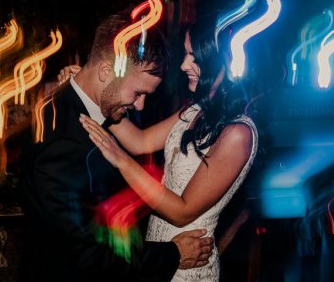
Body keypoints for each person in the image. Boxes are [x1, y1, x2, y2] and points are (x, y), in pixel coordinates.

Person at [19, 13, 214, 282]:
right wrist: (174, 254)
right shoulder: (62, 146)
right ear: (105, 71)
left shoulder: (80, 108)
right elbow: (89, 256)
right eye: (138, 93)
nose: (140, 106)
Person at [76, 14, 258, 282]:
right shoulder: (195, 110)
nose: (185, 65)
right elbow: (141, 141)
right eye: (186, 54)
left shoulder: (238, 133)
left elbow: (182, 211)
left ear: (223, 63)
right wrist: (94, 93)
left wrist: (121, 160)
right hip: (163, 254)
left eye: (193, 56)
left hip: (189, 266)